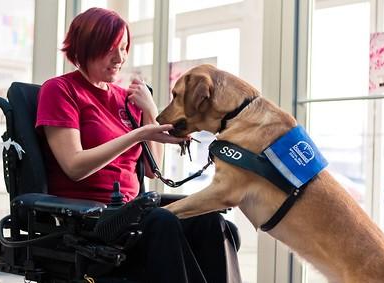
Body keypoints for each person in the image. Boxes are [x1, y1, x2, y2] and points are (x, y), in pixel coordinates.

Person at [35, 7, 241, 283]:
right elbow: (74, 166)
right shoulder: (60, 90)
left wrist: (150, 110)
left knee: (209, 220)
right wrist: (139, 134)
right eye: (110, 48)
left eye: (123, 48)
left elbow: (150, 170)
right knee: (162, 222)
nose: (120, 58)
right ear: (85, 46)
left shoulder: (126, 98)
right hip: (88, 218)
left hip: (131, 211)